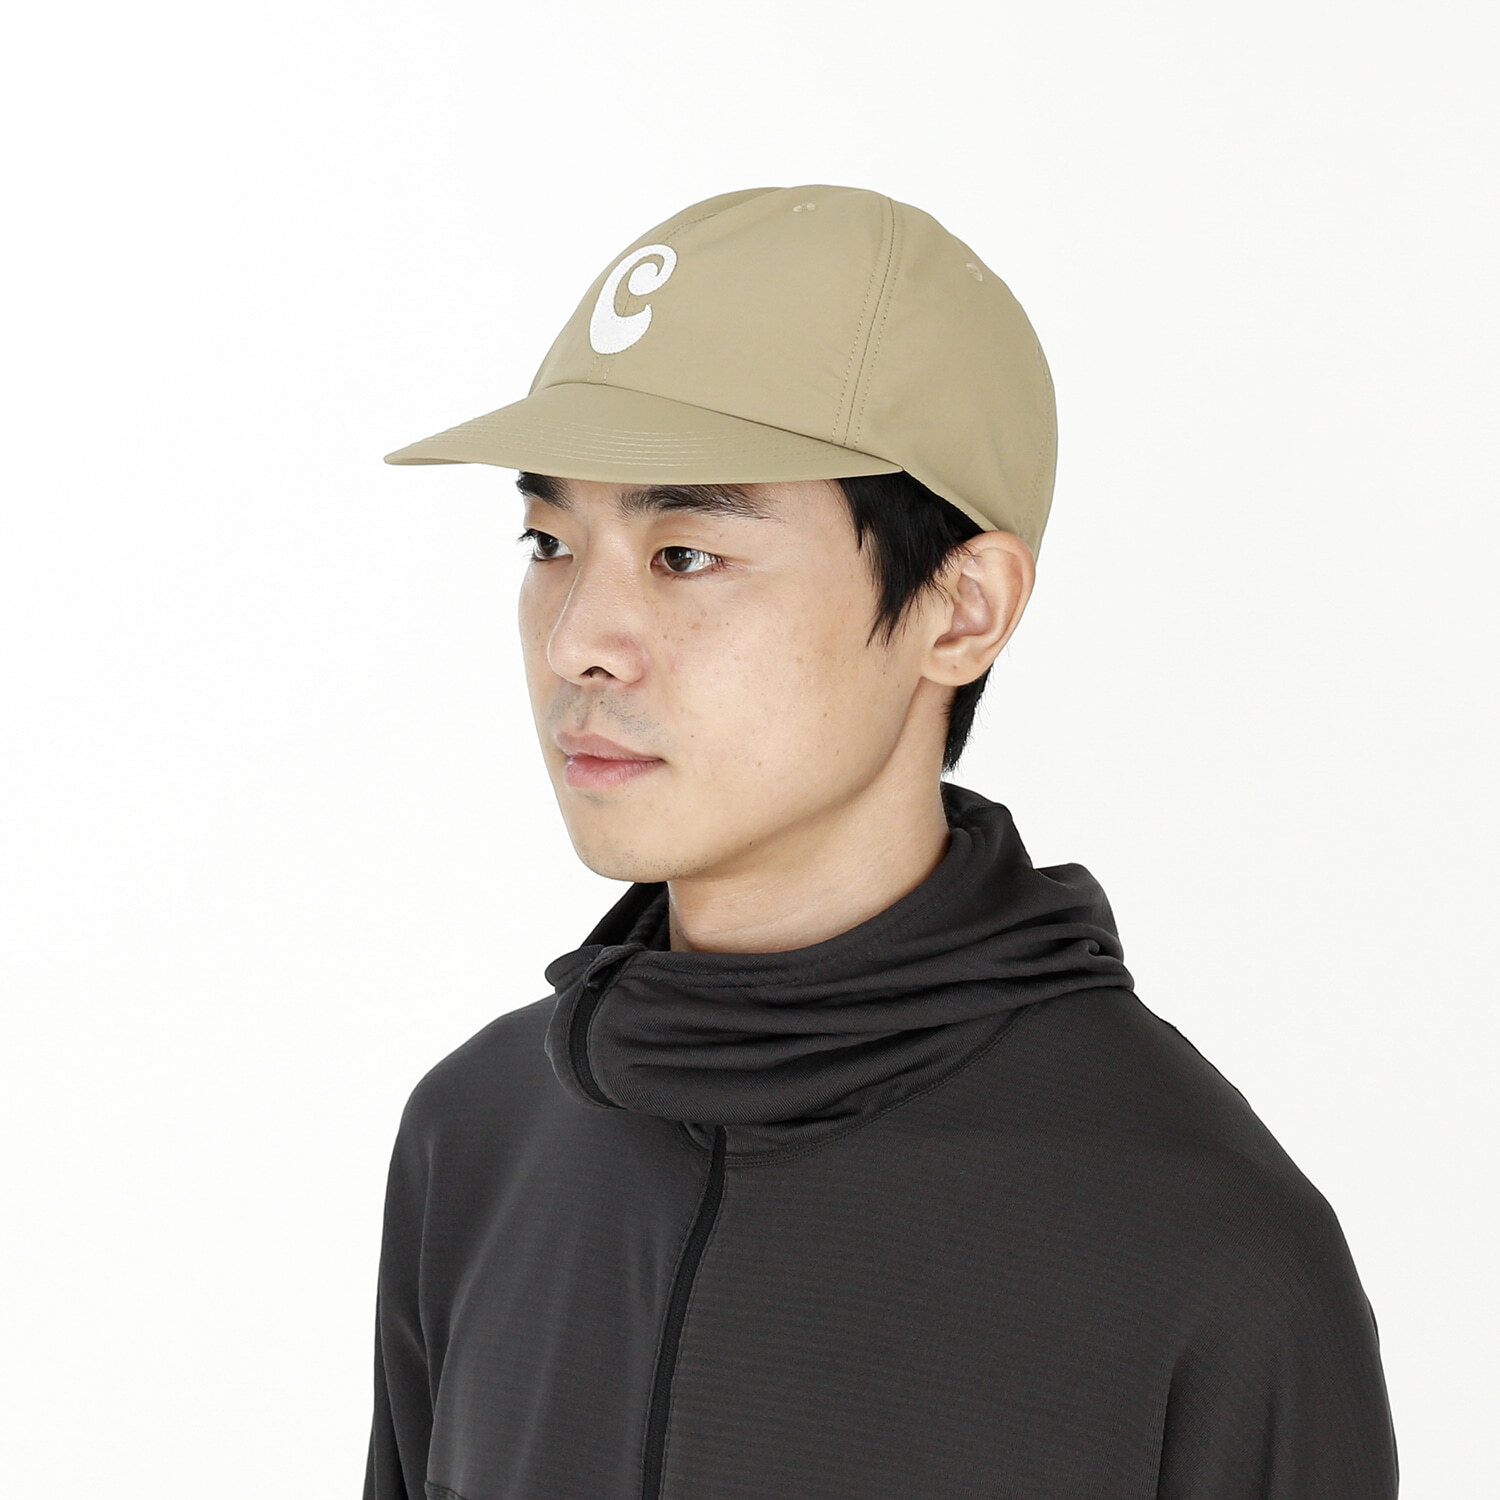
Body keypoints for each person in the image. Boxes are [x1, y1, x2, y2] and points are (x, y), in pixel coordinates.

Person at [365, 184, 1399, 1500]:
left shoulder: (1207, 1250)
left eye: (685, 554)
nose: (577, 642)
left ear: (962, 608)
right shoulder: (477, 1142)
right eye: (548, 540)